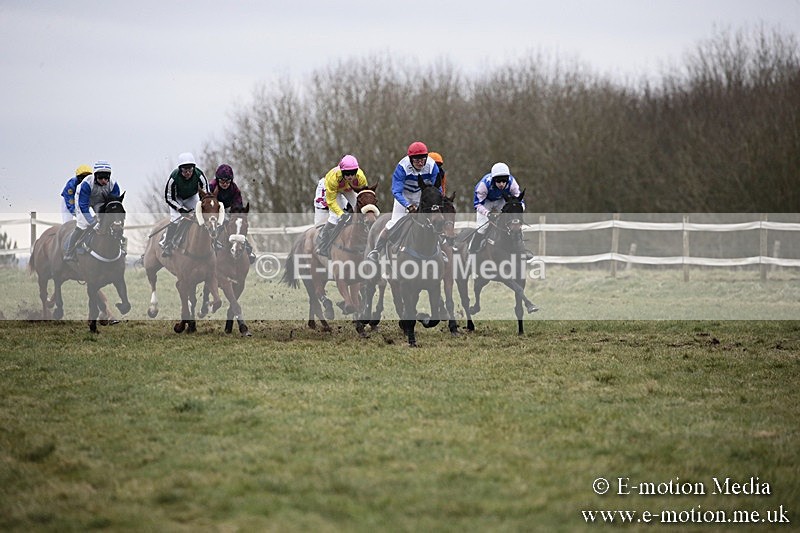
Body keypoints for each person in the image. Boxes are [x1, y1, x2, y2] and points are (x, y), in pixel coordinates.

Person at [366, 141, 441, 262]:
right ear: (410, 159)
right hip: (404, 196)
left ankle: (440, 250)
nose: (420, 163)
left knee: (434, 222)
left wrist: (436, 201)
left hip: (421, 195)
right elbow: (396, 191)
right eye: (417, 160)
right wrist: (407, 205)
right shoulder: (402, 167)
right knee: (393, 223)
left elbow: (437, 188)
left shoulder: (432, 166)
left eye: (423, 159)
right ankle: (376, 251)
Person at [64, 160, 121, 261]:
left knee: (109, 222)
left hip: (100, 201)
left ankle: (120, 245)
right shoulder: (86, 184)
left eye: (106, 178)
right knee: (83, 224)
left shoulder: (114, 185)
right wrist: (92, 222)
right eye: (100, 177)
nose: (104, 180)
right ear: (95, 176)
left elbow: (113, 206)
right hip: (83, 202)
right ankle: (69, 252)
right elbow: (83, 206)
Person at [314, 154, 368, 258]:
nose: (350, 177)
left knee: (361, 209)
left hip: (347, 189)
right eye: (347, 174)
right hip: (334, 191)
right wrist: (341, 213)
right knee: (335, 216)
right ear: (342, 172)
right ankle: (323, 244)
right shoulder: (333, 179)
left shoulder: (361, 177)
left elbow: (364, 194)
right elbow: (331, 201)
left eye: (353, 173)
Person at [161, 152, 209, 256]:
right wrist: (181, 210)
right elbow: (169, 198)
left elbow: (206, 194)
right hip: (176, 199)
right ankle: (167, 244)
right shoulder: (173, 178)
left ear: (194, 168)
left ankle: (211, 241)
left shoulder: (200, 175)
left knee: (201, 215)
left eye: (190, 169)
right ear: (180, 169)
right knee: (176, 219)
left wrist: (203, 205)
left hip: (192, 197)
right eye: (184, 170)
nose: (188, 172)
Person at [470, 162, 525, 254]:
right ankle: (472, 251)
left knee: (514, 224)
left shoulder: (512, 183)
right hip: (486, 202)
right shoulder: (484, 185)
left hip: (501, 200)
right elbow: (477, 204)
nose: (502, 184)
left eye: (504, 181)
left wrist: (519, 210)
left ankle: (521, 249)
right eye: (498, 181)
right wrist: (488, 213)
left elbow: (519, 200)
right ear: (493, 179)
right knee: (482, 228)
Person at [209, 164, 256, 263]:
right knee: (218, 223)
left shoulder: (235, 189)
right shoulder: (212, 186)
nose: (225, 184)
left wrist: (235, 216)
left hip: (229, 209)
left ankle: (247, 247)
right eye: (222, 182)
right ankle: (213, 243)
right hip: (214, 209)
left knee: (238, 224)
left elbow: (238, 206)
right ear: (218, 180)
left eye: (228, 182)